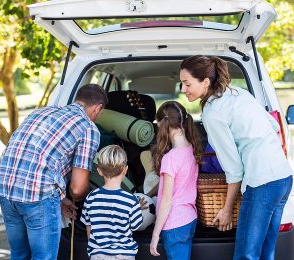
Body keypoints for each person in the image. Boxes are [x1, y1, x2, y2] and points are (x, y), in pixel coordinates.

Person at [180, 55, 293, 260]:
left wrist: (226, 209)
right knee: (266, 253)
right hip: (283, 177)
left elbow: (233, 169)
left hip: (262, 183)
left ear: (205, 82)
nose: (183, 89)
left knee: (246, 256)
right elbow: (274, 126)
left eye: (187, 83)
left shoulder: (212, 113)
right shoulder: (238, 93)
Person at [0, 83, 108, 260]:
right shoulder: (88, 128)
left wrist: (61, 198)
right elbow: (77, 189)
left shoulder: (42, 112)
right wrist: (90, 194)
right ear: (98, 108)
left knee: (19, 253)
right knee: (43, 257)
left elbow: (34, 159)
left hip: (4, 187)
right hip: (37, 195)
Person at [149, 101, 202, 259]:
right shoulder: (191, 149)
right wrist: (149, 193)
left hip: (174, 224)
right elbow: (173, 184)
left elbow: (166, 201)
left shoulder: (170, 158)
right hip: (190, 217)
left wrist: (155, 234)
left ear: (162, 123)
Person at [80, 145, 143, 260]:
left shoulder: (91, 198)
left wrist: (93, 248)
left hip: (98, 254)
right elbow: (136, 226)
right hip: (124, 254)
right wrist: (138, 208)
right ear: (125, 170)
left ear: (99, 170)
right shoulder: (131, 200)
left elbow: (88, 225)